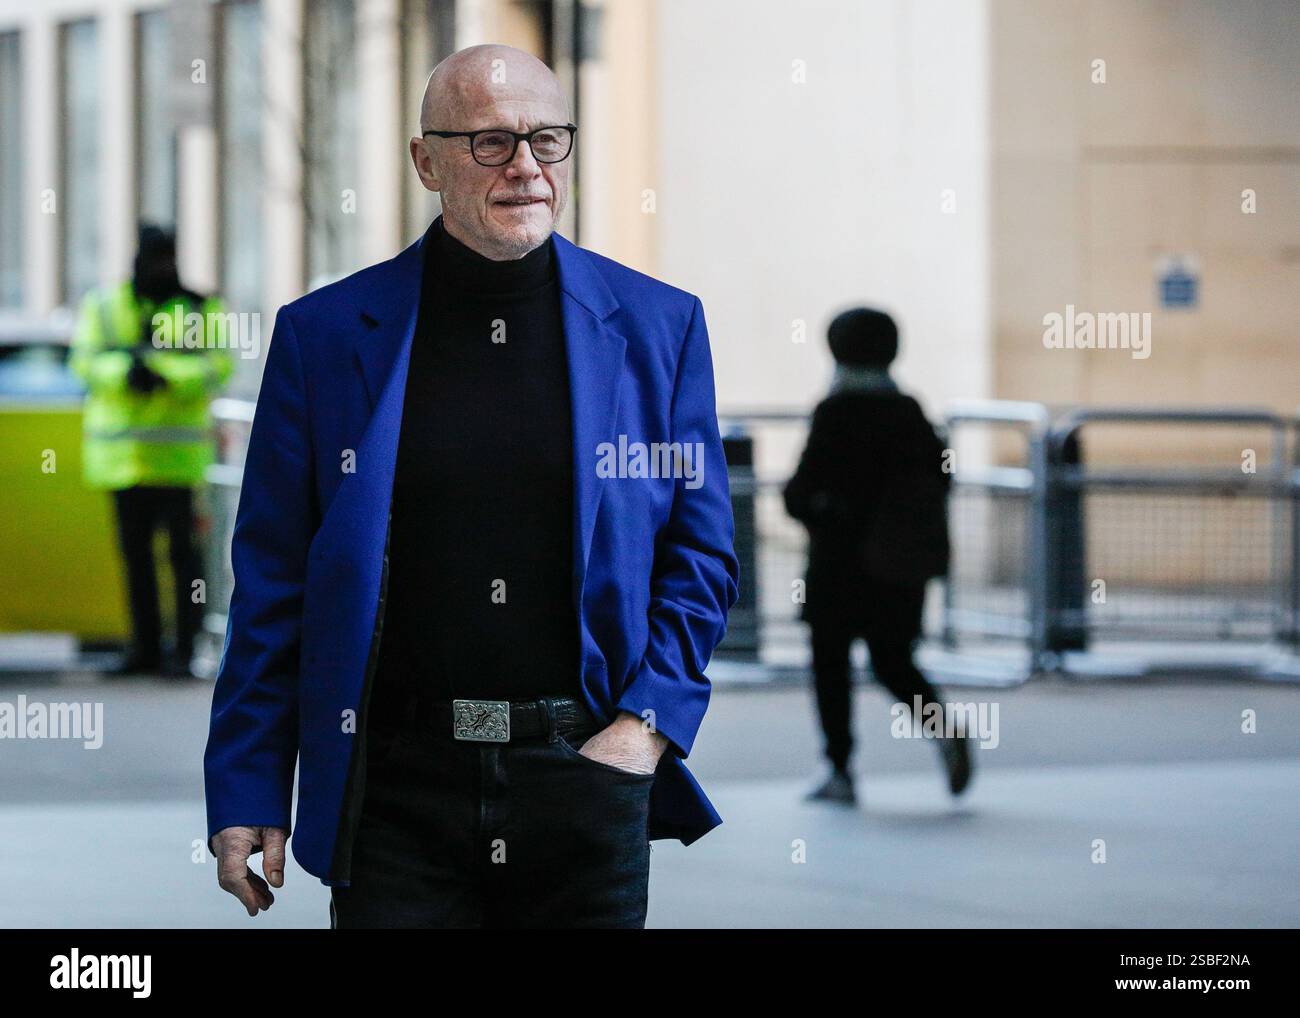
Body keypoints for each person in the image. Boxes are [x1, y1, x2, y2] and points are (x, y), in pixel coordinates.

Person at [203, 44, 739, 928]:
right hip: (396, 793)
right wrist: (249, 782)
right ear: (427, 161)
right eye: (490, 142)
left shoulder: (658, 328)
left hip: (583, 778)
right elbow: (273, 586)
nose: (526, 167)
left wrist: (645, 726)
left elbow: (701, 554)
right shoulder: (325, 338)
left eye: (548, 139)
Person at [783, 307, 971, 805]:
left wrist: (820, 510)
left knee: (830, 662)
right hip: (898, 568)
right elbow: (940, 480)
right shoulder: (911, 412)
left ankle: (839, 768)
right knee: (893, 661)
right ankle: (943, 726)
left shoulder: (836, 410)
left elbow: (800, 492)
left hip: (837, 566)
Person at [69, 224, 233, 677]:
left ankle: (184, 649)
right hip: (123, 464)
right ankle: (144, 650)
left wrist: (163, 375)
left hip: (179, 464)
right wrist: (125, 372)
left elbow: (218, 365)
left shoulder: (199, 308)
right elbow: (83, 359)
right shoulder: (104, 305)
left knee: (185, 560)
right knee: (137, 560)